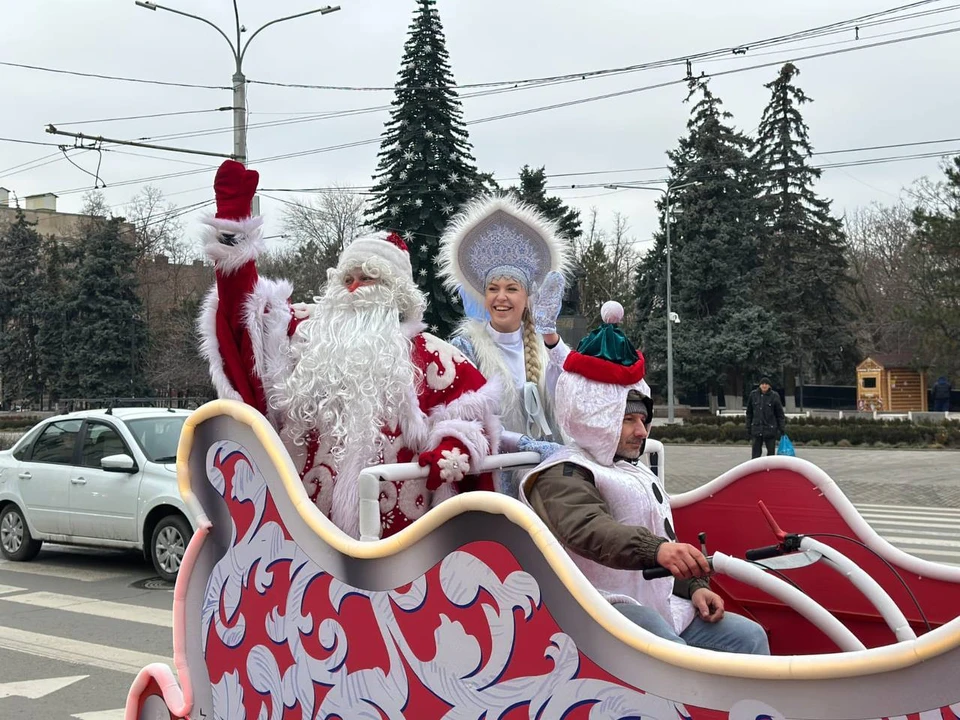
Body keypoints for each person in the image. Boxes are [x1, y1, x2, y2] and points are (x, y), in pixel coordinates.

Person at [197, 160, 501, 539]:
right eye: (347, 278)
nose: (355, 287)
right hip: (307, 545)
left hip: (404, 550)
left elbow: (475, 421)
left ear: (395, 291)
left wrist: (453, 447)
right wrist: (233, 232)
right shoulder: (307, 342)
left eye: (368, 278)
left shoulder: (435, 357)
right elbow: (245, 327)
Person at [520, 302, 769, 654]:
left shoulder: (632, 468)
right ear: (597, 417)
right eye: (628, 420)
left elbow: (661, 537)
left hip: (662, 604)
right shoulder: (564, 472)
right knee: (670, 653)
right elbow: (588, 528)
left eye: (644, 420)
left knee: (750, 637)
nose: (642, 431)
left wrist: (694, 586)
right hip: (598, 609)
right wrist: (659, 551)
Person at [437, 196, 573, 492]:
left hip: (548, 477)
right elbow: (467, 419)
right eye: (493, 289)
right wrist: (522, 443)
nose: (501, 297)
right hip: (495, 476)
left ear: (527, 297)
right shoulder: (465, 348)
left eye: (512, 288)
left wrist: (551, 337)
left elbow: (573, 393)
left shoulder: (545, 345)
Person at [745, 376, 786, 459]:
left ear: (769, 386)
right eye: (762, 384)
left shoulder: (774, 396)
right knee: (755, 455)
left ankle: (769, 471)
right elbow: (749, 413)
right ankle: (756, 470)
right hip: (757, 429)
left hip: (770, 429)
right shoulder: (753, 395)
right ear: (759, 385)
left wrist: (782, 428)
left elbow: (780, 414)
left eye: (766, 384)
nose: (764, 386)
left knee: (771, 454)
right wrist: (748, 427)